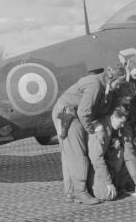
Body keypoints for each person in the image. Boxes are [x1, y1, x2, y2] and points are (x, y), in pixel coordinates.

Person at [51, 63, 126, 204]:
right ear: (112, 78)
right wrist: (93, 131)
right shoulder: (96, 85)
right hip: (67, 113)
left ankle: (71, 193)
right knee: (78, 153)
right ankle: (80, 193)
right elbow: (84, 112)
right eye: (119, 82)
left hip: (70, 112)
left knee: (70, 153)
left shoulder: (102, 83)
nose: (119, 86)